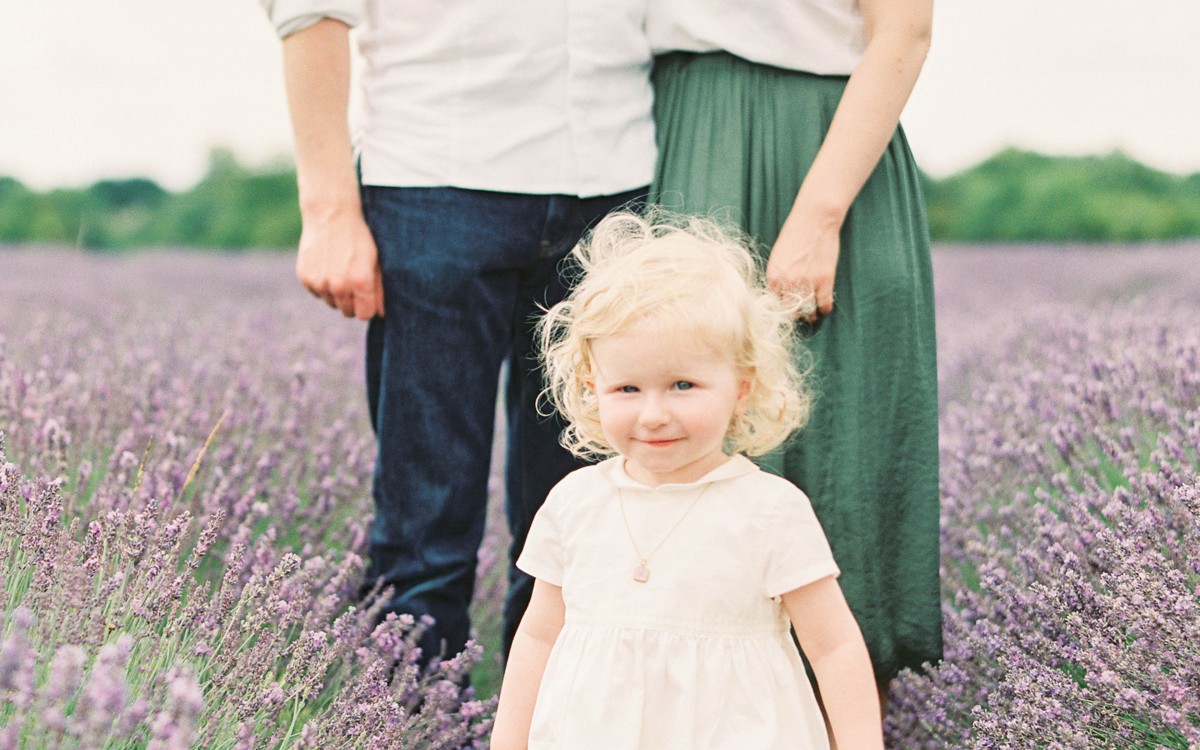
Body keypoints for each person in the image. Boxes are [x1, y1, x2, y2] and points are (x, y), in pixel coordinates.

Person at [257, 1, 656, 663]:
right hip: (436, 179)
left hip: (617, 180)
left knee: (588, 530)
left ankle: (550, 730)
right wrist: (327, 208)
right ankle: (408, 728)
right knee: (424, 530)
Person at [491, 212, 882, 749]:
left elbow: (834, 647)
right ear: (591, 387)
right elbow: (537, 636)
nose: (653, 414)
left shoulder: (768, 509)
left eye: (682, 384)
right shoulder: (574, 502)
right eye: (627, 389)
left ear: (741, 389)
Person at [646, 0, 943, 700]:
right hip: (679, 125)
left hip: (824, 140)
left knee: (840, 444)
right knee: (677, 439)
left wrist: (819, 214)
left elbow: (904, 29)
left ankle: (848, 721)